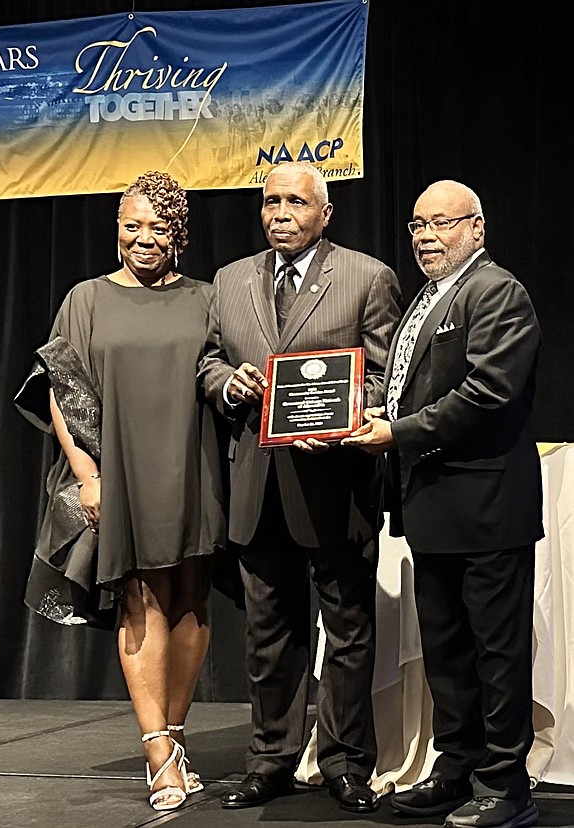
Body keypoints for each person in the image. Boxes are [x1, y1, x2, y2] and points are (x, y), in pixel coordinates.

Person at [15, 171, 225, 812]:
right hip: (120, 475)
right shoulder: (86, 299)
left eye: (157, 226)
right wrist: (88, 477)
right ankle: (156, 750)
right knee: (140, 600)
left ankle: (176, 734)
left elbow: (220, 374)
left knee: (191, 602)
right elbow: (61, 389)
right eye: (130, 225)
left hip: (192, 470)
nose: (142, 237)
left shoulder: (207, 298)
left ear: (178, 233)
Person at [198, 161, 402, 812]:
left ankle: (345, 764)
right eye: (269, 202)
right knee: (268, 633)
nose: (279, 212)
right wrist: (229, 384)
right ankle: (270, 759)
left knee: (347, 631)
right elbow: (207, 362)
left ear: (325, 213)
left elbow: (387, 376)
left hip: (336, 483)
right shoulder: (229, 281)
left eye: (294, 202)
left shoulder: (368, 277)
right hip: (258, 484)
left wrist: (342, 416)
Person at [346, 180, 542, 828]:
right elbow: (419, 387)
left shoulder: (497, 292)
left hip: (486, 511)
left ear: (477, 228)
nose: (427, 236)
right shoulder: (430, 297)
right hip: (433, 512)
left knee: (497, 657)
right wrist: (383, 413)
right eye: (417, 225)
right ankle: (456, 769)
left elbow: (488, 393)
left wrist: (395, 433)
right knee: (448, 656)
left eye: (442, 223)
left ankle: (506, 788)